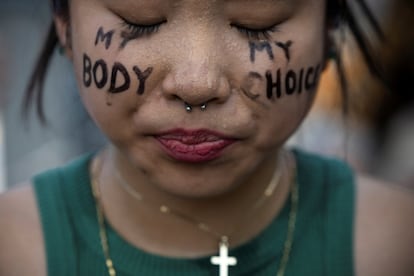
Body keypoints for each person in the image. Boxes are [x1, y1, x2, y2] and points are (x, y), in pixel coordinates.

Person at [1, 0, 413, 275]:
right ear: (65, 23)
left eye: (259, 24)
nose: (197, 84)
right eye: (140, 20)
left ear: (329, 29)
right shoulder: (13, 251)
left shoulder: (395, 244)